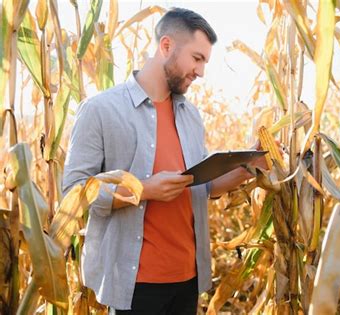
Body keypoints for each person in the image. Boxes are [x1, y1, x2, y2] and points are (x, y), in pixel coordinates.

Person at [63, 8, 266, 314]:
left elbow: (200, 187)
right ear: (167, 46)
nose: (201, 71)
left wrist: (249, 167)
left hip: (188, 278)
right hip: (134, 285)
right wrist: (143, 190)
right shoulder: (100, 110)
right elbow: (74, 195)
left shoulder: (191, 116)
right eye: (197, 58)